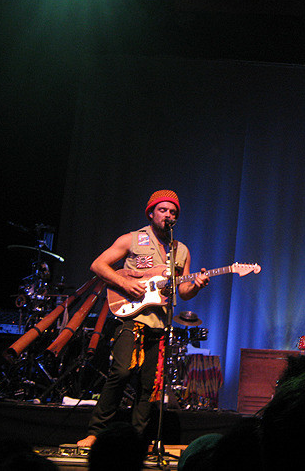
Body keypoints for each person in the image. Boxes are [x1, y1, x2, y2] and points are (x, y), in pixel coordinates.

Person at [77, 190, 209, 448]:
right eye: (163, 210)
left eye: (173, 212)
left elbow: (183, 291)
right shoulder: (132, 239)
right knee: (122, 371)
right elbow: (98, 265)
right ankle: (96, 432)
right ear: (151, 213)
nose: (168, 215)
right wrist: (125, 283)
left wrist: (196, 285)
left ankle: (137, 438)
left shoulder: (180, 250)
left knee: (150, 385)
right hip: (131, 317)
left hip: (160, 324)